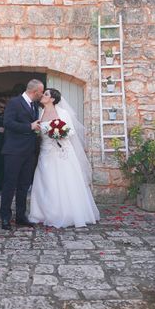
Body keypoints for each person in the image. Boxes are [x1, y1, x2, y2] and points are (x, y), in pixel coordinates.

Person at [29, 88, 99, 228]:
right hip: (45, 151)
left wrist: (60, 134)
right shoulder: (41, 112)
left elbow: (71, 130)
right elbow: (40, 130)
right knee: (45, 181)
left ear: (53, 99)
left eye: (46, 94)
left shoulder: (63, 113)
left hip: (61, 152)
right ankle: (42, 213)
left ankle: (66, 213)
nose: (43, 95)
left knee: (62, 181)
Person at [0, 79, 44, 230]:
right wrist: (29, 126)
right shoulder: (14, 102)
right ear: (35, 91)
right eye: (41, 92)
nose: (42, 94)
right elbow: (8, 123)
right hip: (14, 151)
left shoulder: (34, 105)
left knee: (24, 185)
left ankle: (20, 216)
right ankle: (5, 217)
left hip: (29, 152)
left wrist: (36, 129)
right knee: (9, 185)